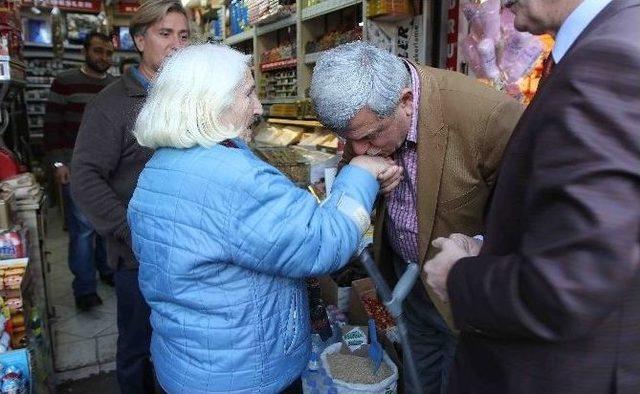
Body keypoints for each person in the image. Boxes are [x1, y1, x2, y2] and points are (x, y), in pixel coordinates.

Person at [127, 44, 402, 393]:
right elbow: (323, 242)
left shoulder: (159, 168)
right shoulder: (233, 179)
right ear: (212, 103)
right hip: (244, 377)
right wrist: (360, 172)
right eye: (248, 93)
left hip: (183, 366)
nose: (258, 107)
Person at [424, 0, 640, 392]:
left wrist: (458, 276)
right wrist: (489, 246)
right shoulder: (611, 41)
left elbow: (570, 281)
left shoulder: (609, 60)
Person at [310, 41, 524, 394]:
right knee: (418, 378)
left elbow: (526, 215)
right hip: (407, 285)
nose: (361, 150)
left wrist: (479, 247)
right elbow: (356, 156)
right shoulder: (365, 114)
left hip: (465, 298)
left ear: (406, 102)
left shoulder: (488, 117)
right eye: (351, 141)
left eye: (369, 137)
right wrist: (367, 181)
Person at [70, 1, 189, 392]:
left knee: (181, 345)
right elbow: (85, 178)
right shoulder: (111, 104)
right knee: (138, 347)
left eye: (184, 36)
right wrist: (128, 229)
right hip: (138, 258)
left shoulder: (191, 98)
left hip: (189, 251)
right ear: (139, 40)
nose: (176, 45)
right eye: (165, 34)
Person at [43, 31, 116, 311]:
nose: (104, 58)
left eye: (109, 53)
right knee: (84, 229)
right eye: (98, 51)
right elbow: (52, 127)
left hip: (109, 167)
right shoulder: (65, 83)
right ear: (86, 51)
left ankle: (107, 271)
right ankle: (85, 288)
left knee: (106, 224)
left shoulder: (114, 85)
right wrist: (58, 164)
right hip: (76, 165)